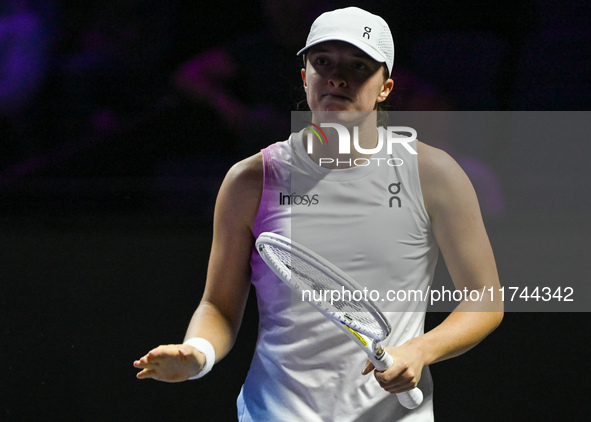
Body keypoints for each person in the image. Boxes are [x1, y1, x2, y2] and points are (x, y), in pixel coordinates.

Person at [134, 7, 503, 421]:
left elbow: (485, 299)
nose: (337, 77)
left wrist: (421, 350)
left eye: (359, 66)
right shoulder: (249, 180)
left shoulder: (433, 174)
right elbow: (218, 304)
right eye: (323, 62)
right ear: (304, 76)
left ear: (385, 88)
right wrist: (198, 354)